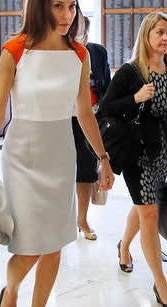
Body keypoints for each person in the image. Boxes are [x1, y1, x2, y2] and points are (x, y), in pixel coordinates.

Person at [0, 0, 115, 307]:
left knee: (55, 242)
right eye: (57, 6)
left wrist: (103, 157)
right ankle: (12, 291)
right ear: (39, 7)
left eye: (71, 6)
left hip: (61, 152)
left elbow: (84, 112)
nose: (66, 15)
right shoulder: (14, 50)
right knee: (30, 246)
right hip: (23, 154)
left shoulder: (79, 54)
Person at [100, 12, 167, 307]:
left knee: (143, 208)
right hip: (137, 154)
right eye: (159, 32)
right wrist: (135, 98)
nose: (164, 38)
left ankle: (123, 247)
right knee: (149, 214)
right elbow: (106, 108)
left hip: (161, 153)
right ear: (146, 35)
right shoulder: (131, 72)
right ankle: (161, 285)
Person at [73, 16, 111, 241]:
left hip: (92, 115)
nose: (82, 38)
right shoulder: (63, 53)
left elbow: (105, 83)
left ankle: (82, 218)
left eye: (85, 34)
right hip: (65, 117)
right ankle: (66, 218)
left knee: (87, 171)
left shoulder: (97, 52)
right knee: (62, 170)